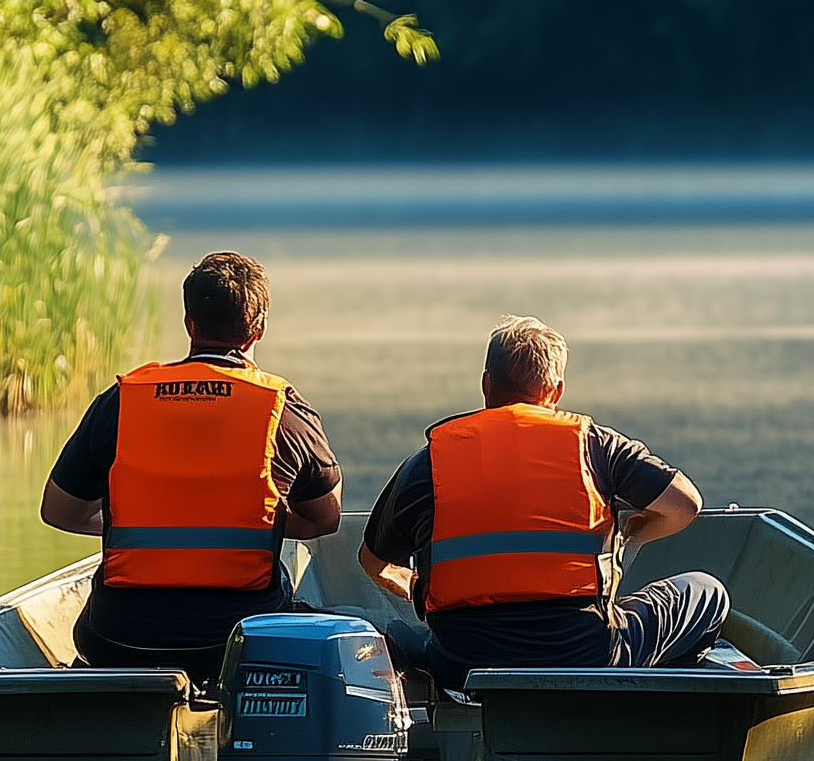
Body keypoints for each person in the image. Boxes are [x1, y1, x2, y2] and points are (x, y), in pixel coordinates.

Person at [358, 315, 730, 690]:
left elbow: (372, 562)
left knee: (397, 636)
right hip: (584, 656)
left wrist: (417, 587)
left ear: (487, 385)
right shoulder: (595, 446)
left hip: (463, 664)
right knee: (707, 592)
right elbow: (685, 503)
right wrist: (635, 533)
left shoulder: (429, 463)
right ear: (556, 390)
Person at [41, 251, 342, 676]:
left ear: (189, 323)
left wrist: (132, 521)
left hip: (119, 638)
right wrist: (253, 518)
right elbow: (324, 520)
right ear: (260, 329)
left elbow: (58, 511)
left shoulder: (121, 401)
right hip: (237, 640)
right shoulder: (283, 409)